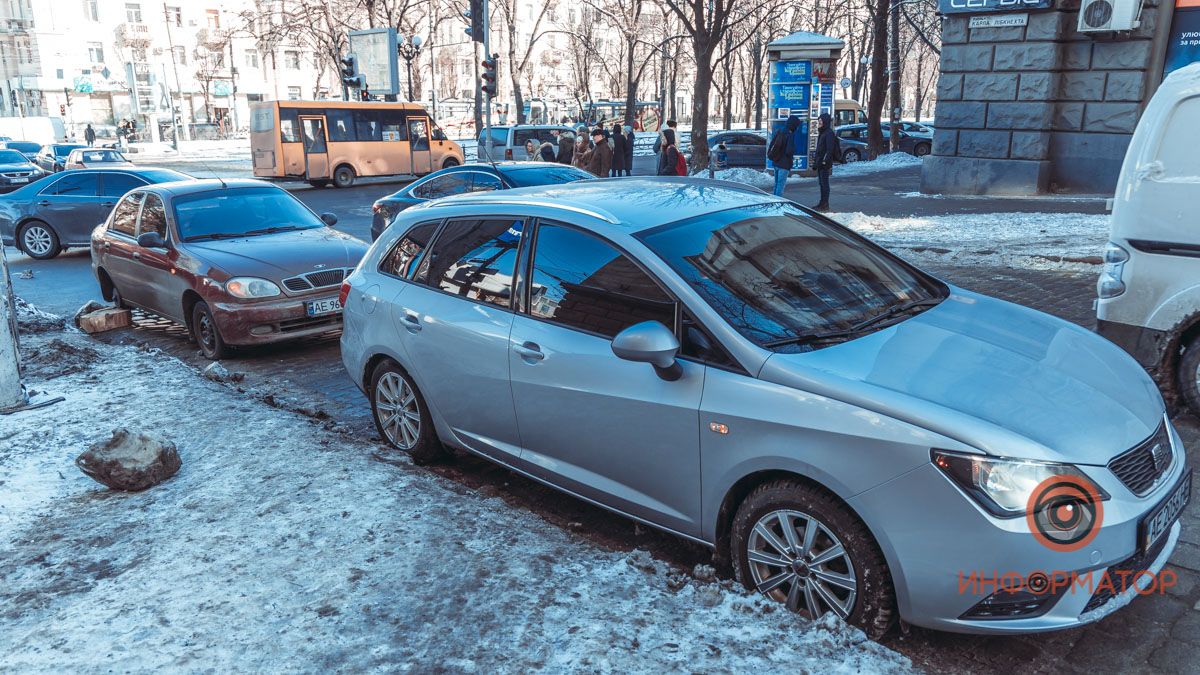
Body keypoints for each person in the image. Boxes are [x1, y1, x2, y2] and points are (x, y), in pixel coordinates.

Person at [767, 115, 801, 197]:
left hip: (776, 162)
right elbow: (789, 151)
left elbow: (772, 144)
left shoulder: (780, 131)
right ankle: (778, 203)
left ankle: (773, 201)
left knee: (776, 185)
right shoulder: (790, 135)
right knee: (780, 186)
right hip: (784, 164)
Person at [812, 112, 839, 211]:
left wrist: (824, 162)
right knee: (821, 184)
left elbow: (829, 149)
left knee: (824, 184)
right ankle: (822, 202)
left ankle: (825, 204)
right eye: (818, 121)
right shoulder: (822, 132)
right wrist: (816, 163)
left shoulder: (829, 133)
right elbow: (819, 149)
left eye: (820, 122)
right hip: (820, 163)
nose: (819, 124)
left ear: (825, 122)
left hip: (824, 164)